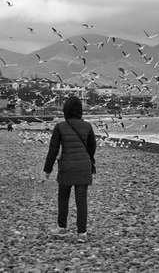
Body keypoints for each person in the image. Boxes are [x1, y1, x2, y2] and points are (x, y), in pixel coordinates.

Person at [43, 96, 96, 242]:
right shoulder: (87, 126)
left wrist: (47, 170)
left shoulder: (60, 127)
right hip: (84, 167)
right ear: (80, 110)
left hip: (66, 167)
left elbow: (53, 150)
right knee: (81, 200)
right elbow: (92, 148)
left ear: (65, 110)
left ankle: (62, 228)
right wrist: (89, 161)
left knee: (63, 197)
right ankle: (82, 233)